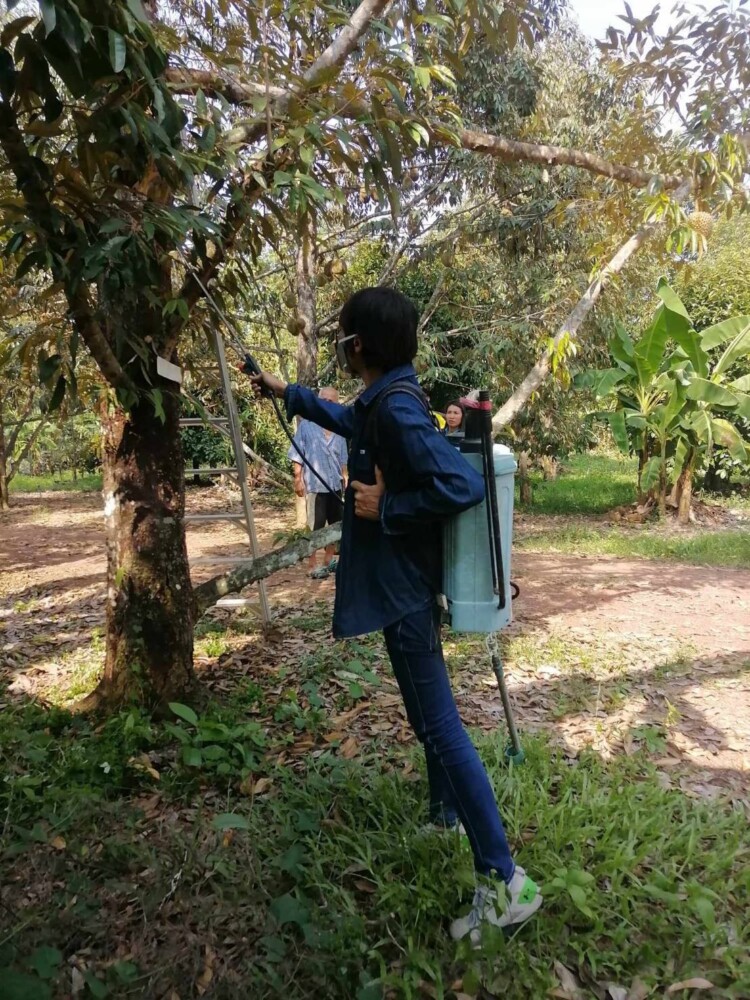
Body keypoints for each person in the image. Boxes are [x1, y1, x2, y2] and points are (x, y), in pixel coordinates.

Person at [251, 287, 541, 943]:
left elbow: (461, 485)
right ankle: (444, 815)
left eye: (342, 338)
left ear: (358, 346)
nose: (340, 348)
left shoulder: (399, 410)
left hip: (406, 592)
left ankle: (506, 881)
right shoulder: (387, 398)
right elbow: (349, 419)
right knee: (427, 718)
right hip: (403, 587)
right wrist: (286, 391)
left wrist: (385, 509)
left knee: (440, 727)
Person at [287, 387, 347, 580]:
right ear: (318, 401)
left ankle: (328, 560)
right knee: (315, 526)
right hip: (315, 485)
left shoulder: (340, 427)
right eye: (324, 400)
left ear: (337, 404)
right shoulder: (307, 425)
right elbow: (297, 454)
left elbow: (343, 458)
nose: (328, 403)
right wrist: (298, 479)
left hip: (335, 485)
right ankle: (312, 564)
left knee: (335, 525)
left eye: (332, 401)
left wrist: (345, 476)